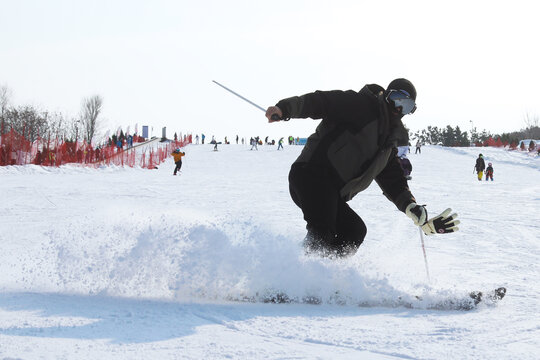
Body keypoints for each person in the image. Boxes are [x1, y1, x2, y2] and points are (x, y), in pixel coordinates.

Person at [265, 78, 459, 258]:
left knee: (354, 231)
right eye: (396, 100)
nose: (398, 109)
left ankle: (326, 277)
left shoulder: (387, 145)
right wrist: (285, 109)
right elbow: (321, 101)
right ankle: (295, 275)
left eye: (406, 106)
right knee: (322, 231)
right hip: (311, 174)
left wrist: (411, 207)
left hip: (331, 192)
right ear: (386, 95)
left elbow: (394, 182)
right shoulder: (360, 105)